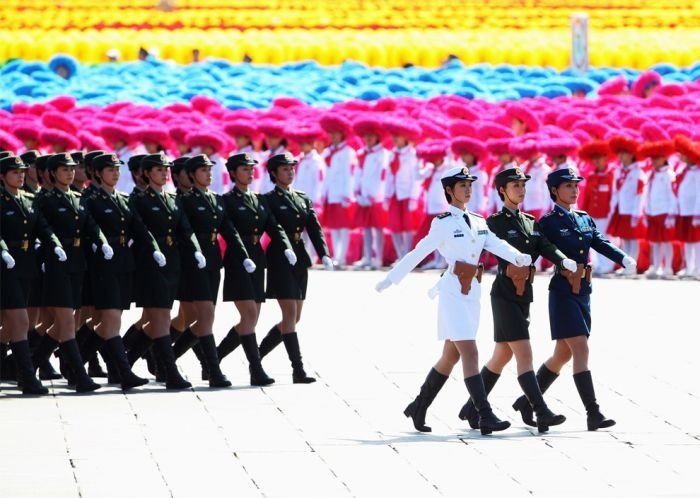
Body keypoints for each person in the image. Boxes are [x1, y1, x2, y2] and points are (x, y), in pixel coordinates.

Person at [375, 166, 532, 435]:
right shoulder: (444, 223)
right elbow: (419, 251)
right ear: (449, 190)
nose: (468, 189)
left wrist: (517, 256)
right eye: (462, 185)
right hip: (451, 293)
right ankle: (485, 414)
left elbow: (495, 244)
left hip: (472, 292)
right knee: (469, 352)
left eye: (470, 184)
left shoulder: (479, 221)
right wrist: (392, 278)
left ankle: (419, 406)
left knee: (450, 355)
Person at [511, 168, 636, 431]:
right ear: (555, 190)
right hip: (563, 290)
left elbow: (600, 242)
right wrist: (517, 275)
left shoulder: (583, 217)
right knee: (580, 348)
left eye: (576, 185)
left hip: (584, 290)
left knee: (562, 354)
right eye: (568, 186)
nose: (574, 190)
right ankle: (594, 413)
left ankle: (526, 402)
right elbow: (534, 251)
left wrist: (622, 258)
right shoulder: (547, 222)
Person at [456, 167, 573, 432]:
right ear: (502, 190)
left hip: (525, 294)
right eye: (515, 185)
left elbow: (545, 246)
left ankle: (470, 407)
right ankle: (540, 410)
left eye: (523, 185)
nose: (521, 190)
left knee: (502, 355)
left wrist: (562, 259)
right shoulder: (494, 222)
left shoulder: (531, 221)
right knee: (524, 352)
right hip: (505, 294)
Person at [171, 154, 257, 388]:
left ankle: (168, 359)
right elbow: (185, 231)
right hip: (193, 262)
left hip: (213, 261)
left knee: (204, 318)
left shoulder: (216, 200)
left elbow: (229, 230)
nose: (208, 174)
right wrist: (195, 251)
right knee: (206, 316)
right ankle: (213, 370)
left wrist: (243, 255)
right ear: (190, 175)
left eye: (209, 170)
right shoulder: (184, 200)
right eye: (202, 171)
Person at [34, 153, 113, 392]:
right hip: (57, 263)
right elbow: (42, 228)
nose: (69, 173)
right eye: (64, 169)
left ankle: (23, 366)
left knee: (64, 325)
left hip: (77, 263)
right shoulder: (45, 199)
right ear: (51, 174)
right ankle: (79, 375)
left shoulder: (78, 198)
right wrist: (50, 249)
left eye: (71, 169)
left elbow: (91, 225)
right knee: (67, 322)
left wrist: (102, 241)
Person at [127, 152, 205, 390]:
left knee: (155, 321)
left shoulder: (172, 198)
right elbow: (140, 229)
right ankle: (170, 372)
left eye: (165, 169)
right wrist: (153, 249)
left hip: (172, 261)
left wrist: (196, 249)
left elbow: (185, 229)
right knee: (160, 319)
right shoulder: (140, 199)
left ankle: (122, 363)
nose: (164, 173)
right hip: (150, 263)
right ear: (147, 173)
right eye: (159, 169)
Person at [81, 153, 160, 390]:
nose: (115, 173)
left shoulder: (124, 199)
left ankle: (75, 363)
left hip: (124, 262)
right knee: (111, 318)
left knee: (109, 323)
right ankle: (124, 373)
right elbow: (89, 227)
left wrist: (153, 248)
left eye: (117, 169)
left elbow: (139, 228)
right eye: (109, 170)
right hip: (102, 264)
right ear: (96, 173)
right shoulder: (90, 199)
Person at [261, 152, 335, 383]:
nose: (290, 171)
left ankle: (256, 355)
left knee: (295, 317)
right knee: (290, 315)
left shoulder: (302, 197)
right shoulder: (268, 199)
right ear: (273, 173)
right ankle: (298, 370)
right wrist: (285, 248)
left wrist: (324, 254)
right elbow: (274, 228)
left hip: (299, 257)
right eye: (284, 168)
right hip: (280, 257)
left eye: (292, 167)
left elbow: (314, 227)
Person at [215, 152, 284, 386]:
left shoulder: (260, 199)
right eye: (244, 169)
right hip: (237, 260)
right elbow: (229, 231)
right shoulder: (226, 200)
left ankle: (213, 359)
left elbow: (273, 227)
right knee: (249, 315)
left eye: (251, 168)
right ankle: (256, 369)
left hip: (257, 258)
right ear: (233, 173)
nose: (250, 172)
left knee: (251, 320)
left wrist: (285, 247)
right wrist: (242, 255)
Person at [0, 155, 63, 394]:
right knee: (20, 321)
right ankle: (26, 378)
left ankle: (12, 370)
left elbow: (42, 228)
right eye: (15, 172)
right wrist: (4, 251)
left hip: (27, 265)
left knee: (14, 322)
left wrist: (54, 243)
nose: (21, 175)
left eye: (22, 172)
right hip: (6, 267)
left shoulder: (29, 199)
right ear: (2, 176)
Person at [320, 115, 357, 268]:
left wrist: (348, 195)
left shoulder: (348, 152)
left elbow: (350, 174)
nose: (333, 136)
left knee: (344, 227)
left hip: (343, 194)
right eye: (330, 133)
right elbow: (326, 175)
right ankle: (336, 255)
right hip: (331, 194)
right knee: (334, 227)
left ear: (343, 134)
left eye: (336, 133)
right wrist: (323, 193)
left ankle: (342, 256)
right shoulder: (328, 152)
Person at [352, 117, 389, 269]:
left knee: (378, 228)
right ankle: (367, 257)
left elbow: (383, 175)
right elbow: (358, 173)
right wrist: (357, 193)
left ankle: (378, 258)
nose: (368, 138)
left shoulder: (383, 154)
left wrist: (374, 195)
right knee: (365, 228)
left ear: (378, 136)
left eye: (371, 135)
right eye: (366, 136)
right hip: (363, 197)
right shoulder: (362, 154)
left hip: (376, 198)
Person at [607, 135, 646, 272]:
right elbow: (615, 191)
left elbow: (640, 194)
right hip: (621, 209)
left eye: (625, 154)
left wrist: (637, 213)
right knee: (624, 238)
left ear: (632, 155)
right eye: (620, 154)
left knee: (633, 239)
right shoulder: (618, 171)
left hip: (632, 210)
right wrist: (612, 208)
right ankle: (626, 265)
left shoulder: (638, 172)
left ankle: (632, 266)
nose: (621, 157)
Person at [639, 140, 677, 276]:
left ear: (664, 158)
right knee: (654, 242)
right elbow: (646, 194)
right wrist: (646, 211)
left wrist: (672, 214)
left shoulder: (669, 175)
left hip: (665, 212)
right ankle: (655, 266)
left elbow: (673, 195)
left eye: (658, 158)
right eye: (653, 158)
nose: (655, 161)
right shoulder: (650, 175)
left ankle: (668, 267)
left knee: (667, 242)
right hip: (653, 212)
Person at [579, 141, 616, 274]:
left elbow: (613, 195)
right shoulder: (591, 176)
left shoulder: (611, 175)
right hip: (593, 213)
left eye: (599, 158)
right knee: (592, 240)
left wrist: (612, 213)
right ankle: (597, 264)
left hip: (605, 213)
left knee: (605, 239)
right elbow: (587, 196)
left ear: (606, 158)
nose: (597, 161)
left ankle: (608, 265)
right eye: (594, 159)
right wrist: (583, 214)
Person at [673, 136, 700, 277]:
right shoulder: (684, 170)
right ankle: (690, 267)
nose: (681, 157)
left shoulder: (698, 172)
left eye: (684, 154)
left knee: (697, 242)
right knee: (687, 242)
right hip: (684, 211)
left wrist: (697, 213)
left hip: (694, 212)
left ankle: (698, 268)